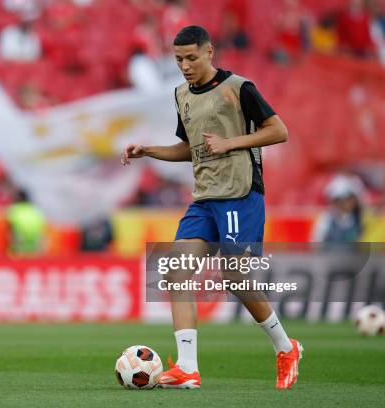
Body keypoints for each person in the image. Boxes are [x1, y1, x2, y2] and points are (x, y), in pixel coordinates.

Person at [121, 25, 301, 390]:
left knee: (235, 277)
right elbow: (191, 149)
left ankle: (286, 348)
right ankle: (187, 368)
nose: (185, 66)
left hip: (240, 194)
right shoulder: (181, 95)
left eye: (191, 57)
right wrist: (149, 150)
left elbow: (278, 130)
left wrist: (231, 143)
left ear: (209, 52)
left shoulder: (239, 88)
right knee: (175, 274)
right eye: (178, 59)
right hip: (204, 199)